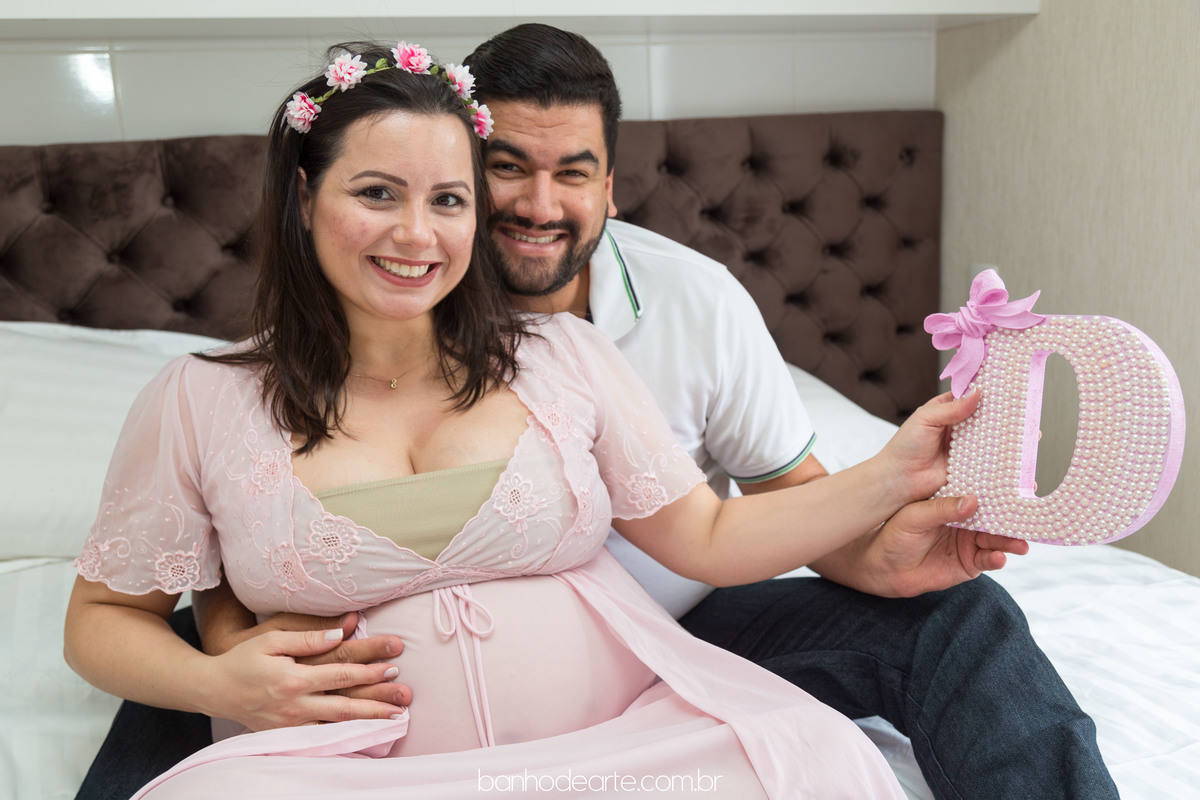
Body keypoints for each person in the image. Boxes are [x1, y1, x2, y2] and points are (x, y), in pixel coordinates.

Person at [63, 39, 1010, 799]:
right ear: (307, 198)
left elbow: (712, 533)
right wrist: (215, 684)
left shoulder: (560, 359)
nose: (415, 234)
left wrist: (895, 470)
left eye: (448, 200)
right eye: (376, 194)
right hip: (337, 771)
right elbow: (103, 619)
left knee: (812, 767)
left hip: (621, 751)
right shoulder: (201, 399)